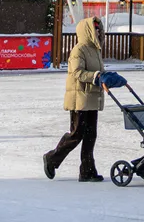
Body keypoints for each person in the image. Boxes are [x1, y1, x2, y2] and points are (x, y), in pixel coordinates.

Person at [44, 16, 123, 181]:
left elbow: (98, 72)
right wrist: (96, 76)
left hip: (92, 98)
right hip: (79, 98)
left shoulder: (95, 50)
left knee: (90, 136)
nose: (98, 32)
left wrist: (108, 77)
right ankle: (52, 158)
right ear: (88, 31)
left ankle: (87, 171)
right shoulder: (78, 50)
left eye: (99, 29)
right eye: (95, 29)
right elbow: (77, 72)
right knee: (77, 134)